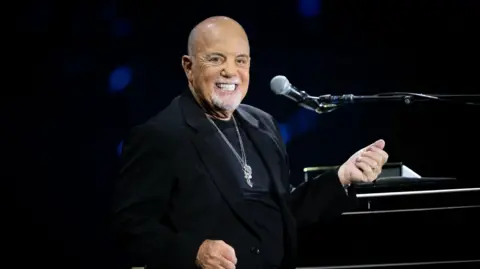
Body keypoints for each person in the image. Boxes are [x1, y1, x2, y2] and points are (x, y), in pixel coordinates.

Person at [111, 16, 389, 269]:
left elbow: (282, 209)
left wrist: (341, 177)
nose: (230, 71)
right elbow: (131, 227)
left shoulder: (263, 125)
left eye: (240, 60)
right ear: (188, 67)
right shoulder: (160, 135)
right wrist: (193, 252)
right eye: (216, 59)